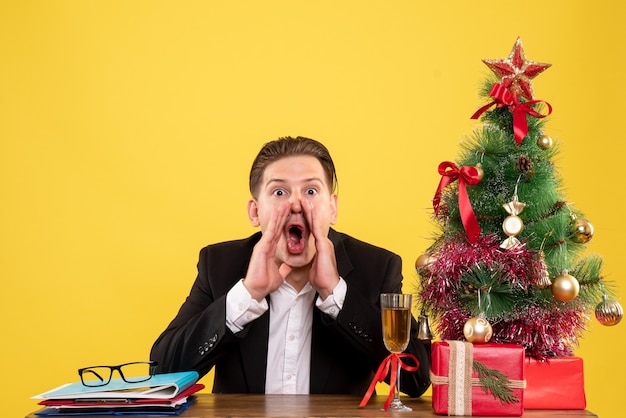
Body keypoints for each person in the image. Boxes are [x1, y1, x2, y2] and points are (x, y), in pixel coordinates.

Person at [150, 136, 431, 396]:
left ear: (332, 208)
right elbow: (162, 372)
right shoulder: (220, 265)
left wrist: (336, 293)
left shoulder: (377, 268)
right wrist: (248, 294)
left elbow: (417, 380)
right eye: (279, 192)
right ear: (255, 211)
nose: (296, 205)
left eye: (310, 190)